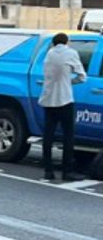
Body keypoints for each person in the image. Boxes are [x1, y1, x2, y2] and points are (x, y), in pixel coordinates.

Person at [38, 32, 86, 181]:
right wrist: (70, 82)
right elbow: (82, 76)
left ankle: (48, 170)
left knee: (48, 135)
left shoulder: (49, 54)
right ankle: (67, 171)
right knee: (68, 136)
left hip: (48, 99)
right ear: (67, 42)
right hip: (65, 99)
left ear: (53, 43)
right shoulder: (71, 53)